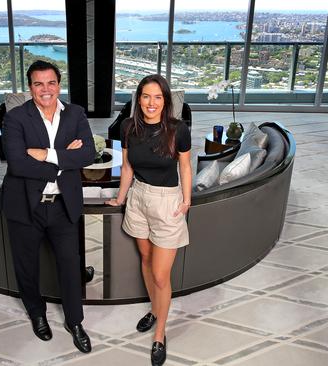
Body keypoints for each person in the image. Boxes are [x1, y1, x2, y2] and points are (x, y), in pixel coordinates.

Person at [1, 60, 96, 353]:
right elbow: (16, 163)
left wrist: (46, 154)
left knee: (70, 264)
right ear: (30, 87)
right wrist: (64, 161)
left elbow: (90, 154)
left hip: (62, 205)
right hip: (24, 205)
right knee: (27, 266)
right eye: (38, 84)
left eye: (51, 83)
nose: (46, 90)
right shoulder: (15, 118)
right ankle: (37, 313)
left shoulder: (76, 114)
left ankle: (74, 321)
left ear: (59, 84)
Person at [106, 74, 192, 366]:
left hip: (167, 200)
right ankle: (155, 310)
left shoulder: (178, 130)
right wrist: (120, 198)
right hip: (138, 199)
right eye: (145, 96)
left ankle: (160, 333)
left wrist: (186, 199)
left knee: (160, 275)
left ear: (165, 101)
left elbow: (185, 166)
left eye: (158, 97)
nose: (151, 103)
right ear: (138, 99)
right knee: (144, 258)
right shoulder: (128, 127)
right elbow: (128, 167)